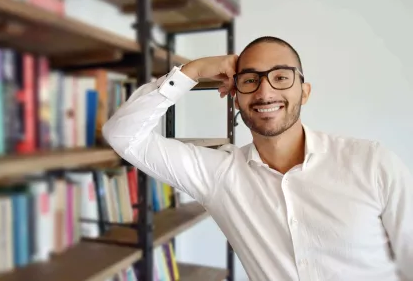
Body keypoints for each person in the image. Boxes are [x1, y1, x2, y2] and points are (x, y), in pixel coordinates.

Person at [102, 36, 413, 281]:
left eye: (281, 77)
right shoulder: (219, 175)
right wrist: (192, 71)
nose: (265, 92)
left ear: (304, 92)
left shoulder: (372, 163)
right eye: (250, 80)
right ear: (235, 96)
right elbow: (123, 135)